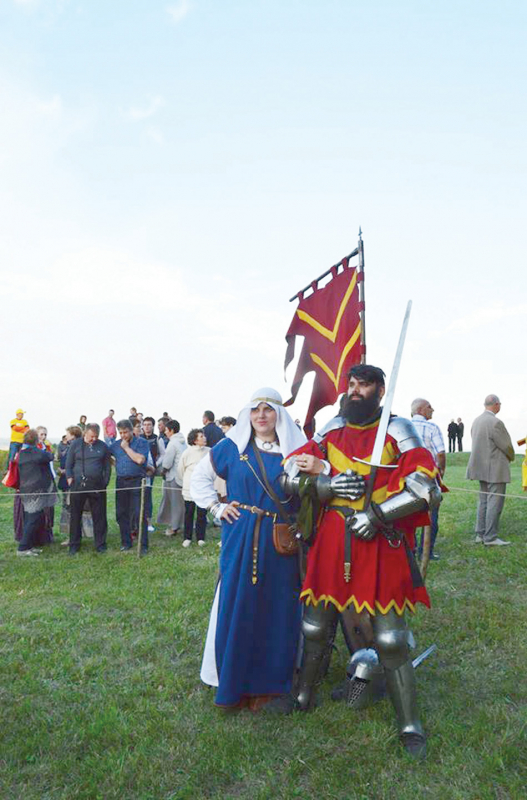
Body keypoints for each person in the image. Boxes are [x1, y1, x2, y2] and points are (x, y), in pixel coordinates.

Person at [274, 365, 440, 759]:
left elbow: (425, 486)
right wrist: (323, 484)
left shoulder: (399, 430)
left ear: (380, 390)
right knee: (315, 626)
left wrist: (378, 514)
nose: (355, 391)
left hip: (379, 538)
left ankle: (410, 725)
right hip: (333, 536)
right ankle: (303, 696)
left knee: (390, 638)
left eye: (364, 385)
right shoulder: (332, 428)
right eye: (351, 384)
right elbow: (288, 472)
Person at [191, 387, 306, 710]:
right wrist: (217, 507)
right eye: (255, 410)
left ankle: (272, 684)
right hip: (241, 535)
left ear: (279, 415)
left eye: (268, 410)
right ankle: (233, 682)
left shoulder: (295, 451)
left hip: (281, 540)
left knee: (279, 606)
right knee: (237, 601)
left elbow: (314, 492)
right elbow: (198, 480)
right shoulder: (231, 447)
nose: (261, 416)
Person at [466, 394, 515, 546]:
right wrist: (511, 456)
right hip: (495, 468)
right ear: (495, 405)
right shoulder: (495, 422)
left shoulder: (477, 421)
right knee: (495, 501)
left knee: (483, 501)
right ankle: (491, 537)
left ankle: (480, 534)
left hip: (480, 467)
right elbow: (506, 445)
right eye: (499, 404)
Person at [66, 423, 111, 554]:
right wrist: (70, 479)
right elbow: (69, 465)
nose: (94, 439)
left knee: (99, 516)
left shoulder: (103, 446)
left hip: (97, 486)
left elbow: (107, 467)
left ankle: (100, 544)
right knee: (75, 516)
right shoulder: (75, 445)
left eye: (96, 436)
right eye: (92, 436)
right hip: (78, 486)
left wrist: (105, 482)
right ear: (85, 433)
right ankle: (74, 545)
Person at [411, 398, 446, 561]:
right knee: (432, 516)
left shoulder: (404, 425)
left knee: (409, 516)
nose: (433, 409)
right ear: (420, 410)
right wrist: (441, 471)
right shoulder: (432, 427)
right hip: (428, 478)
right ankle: (426, 552)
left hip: (407, 479)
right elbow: (440, 453)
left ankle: (411, 549)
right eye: (429, 407)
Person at [110, 419, 152, 554]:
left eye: (125, 432)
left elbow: (140, 459)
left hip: (137, 481)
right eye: (120, 433)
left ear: (131, 430)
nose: (123, 435)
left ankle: (143, 544)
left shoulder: (141, 443)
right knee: (122, 513)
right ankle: (126, 542)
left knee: (139, 513)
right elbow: (107, 456)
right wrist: (116, 464)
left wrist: (126, 448)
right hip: (121, 481)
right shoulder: (115, 445)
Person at [16, 429, 58, 556]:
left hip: (25, 489)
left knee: (31, 517)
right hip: (36, 491)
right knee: (33, 519)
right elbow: (50, 456)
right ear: (35, 440)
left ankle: (29, 545)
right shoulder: (36, 452)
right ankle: (22, 548)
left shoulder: (21, 453)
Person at [177, 428, 209, 546]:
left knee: (202, 513)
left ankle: (201, 537)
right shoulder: (187, 452)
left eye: (203, 436)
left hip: (203, 488)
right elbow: (181, 470)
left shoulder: (209, 451)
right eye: (201, 436)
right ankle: (187, 537)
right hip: (189, 488)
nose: (204, 438)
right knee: (189, 512)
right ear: (195, 440)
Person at [157, 420, 185, 537]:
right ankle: (177, 525)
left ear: (172, 431)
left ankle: (174, 527)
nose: (166, 432)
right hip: (181, 476)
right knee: (179, 503)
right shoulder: (183, 442)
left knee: (175, 503)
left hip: (173, 476)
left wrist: (162, 471)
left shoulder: (172, 443)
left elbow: (167, 463)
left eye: (167, 430)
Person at [141, 416, 164, 532]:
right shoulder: (139, 439)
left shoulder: (157, 439)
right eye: (144, 425)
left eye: (149, 425)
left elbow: (162, 454)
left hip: (150, 472)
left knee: (147, 495)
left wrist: (155, 464)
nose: (147, 427)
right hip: (140, 471)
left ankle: (149, 522)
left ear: (153, 426)